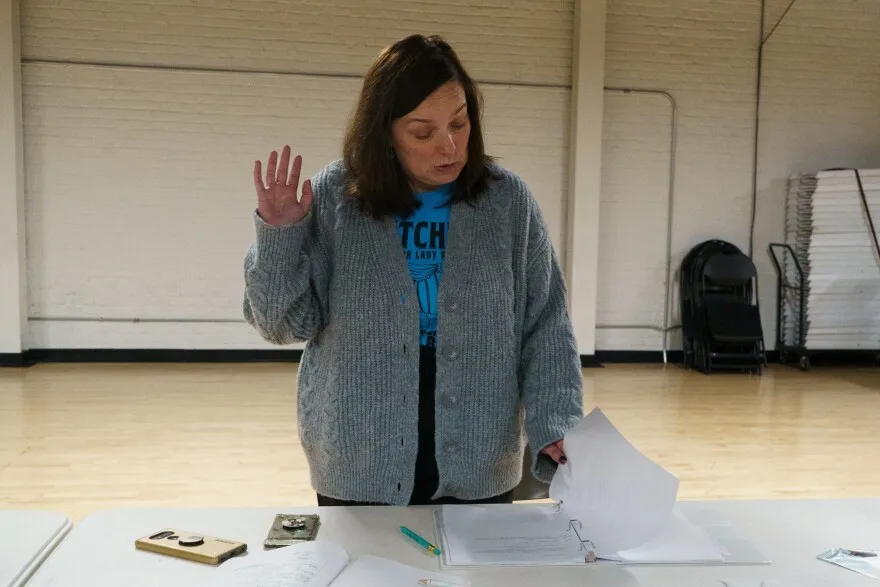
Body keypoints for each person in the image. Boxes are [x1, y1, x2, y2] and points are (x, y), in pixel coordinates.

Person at [243, 34, 583, 506]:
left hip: (479, 454)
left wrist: (556, 423)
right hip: (358, 454)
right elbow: (281, 325)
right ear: (384, 133)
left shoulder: (506, 202)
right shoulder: (337, 196)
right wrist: (281, 237)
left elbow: (545, 324)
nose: (449, 146)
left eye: (460, 124)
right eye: (423, 132)